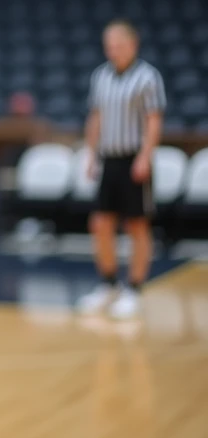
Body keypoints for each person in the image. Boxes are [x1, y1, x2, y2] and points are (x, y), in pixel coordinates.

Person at [76, 19, 165, 321]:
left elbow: (154, 120)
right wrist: (90, 153)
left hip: (133, 158)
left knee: (136, 225)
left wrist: (145, 156)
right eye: (109, 46)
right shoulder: (100, 76)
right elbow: (96, 117)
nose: (113, 50)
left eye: (118, 45)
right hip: (109, 159)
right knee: (100, 223)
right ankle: (109, 284)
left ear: (132, 44)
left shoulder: (148, 77)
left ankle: (135, 288)